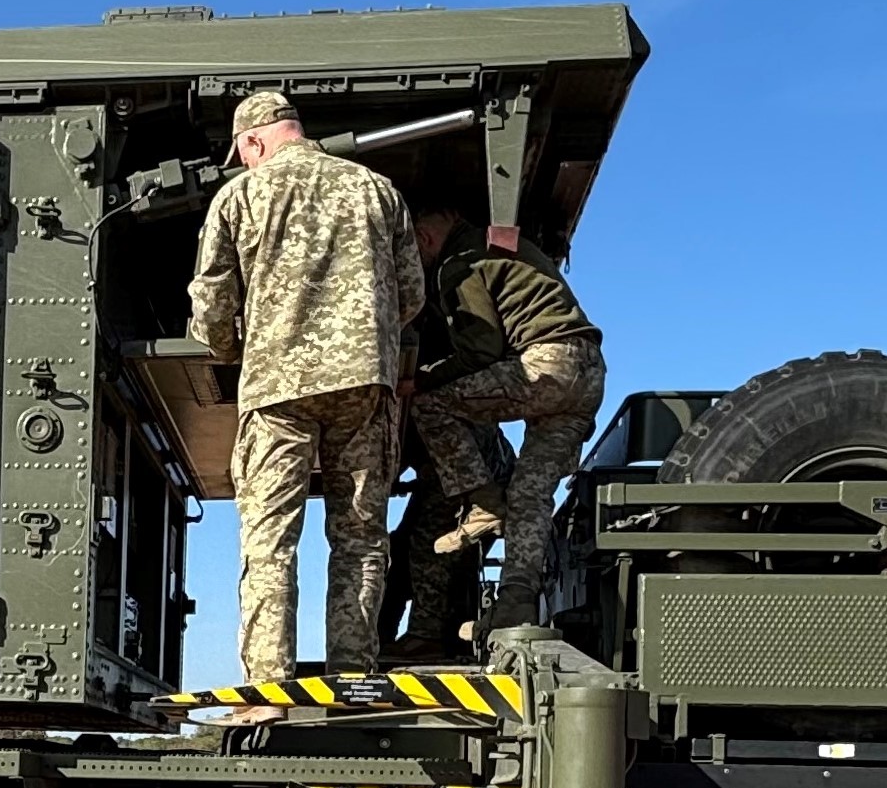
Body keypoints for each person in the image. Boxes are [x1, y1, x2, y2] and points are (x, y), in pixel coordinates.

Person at [186, 90, 423, 685]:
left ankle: (268, 689)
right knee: (361, 538)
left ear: (255, 140)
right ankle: (353, 678)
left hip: (277, 391)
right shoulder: (376, 189)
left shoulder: (239, 195)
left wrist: (230, 347)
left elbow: (213, 303)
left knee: (270, 541)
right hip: (364, 387)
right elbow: (411, 295)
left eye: (243, 153)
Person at [404, 210, 606, 634]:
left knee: (432, 406)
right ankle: (517, 604)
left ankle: (483, 503)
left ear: (423, 238)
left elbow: (482, 351)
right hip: (588, 374)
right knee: (531, 493)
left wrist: (422, 379)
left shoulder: (458, 263)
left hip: (546, 364)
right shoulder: (502, 243)